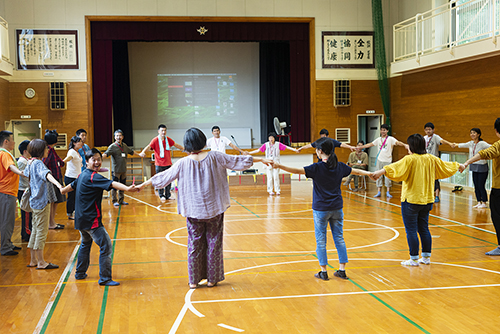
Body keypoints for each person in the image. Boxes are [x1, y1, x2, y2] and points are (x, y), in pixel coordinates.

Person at [137, 128, 271, 288]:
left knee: (194, 244)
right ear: (202, 141)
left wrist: (142, 184)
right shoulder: (215, 156)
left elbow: (162, 178)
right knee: (214, 243)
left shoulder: (183, 162)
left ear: (186, 144)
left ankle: (193, 280)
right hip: (215, 209)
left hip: (193, 211)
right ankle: (212, 279)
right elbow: (237, 161)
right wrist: (261, 159)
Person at [271, 137, 372, 280]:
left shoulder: (317, 168)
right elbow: (356, 171)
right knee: (339, 238)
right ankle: (342, 270)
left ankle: (323, 271)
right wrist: (370, 174)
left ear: (320, 151)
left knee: (321, 240)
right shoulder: (340, 166)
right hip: (337, 207)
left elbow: (297, 170)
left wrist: (279, 166)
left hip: (321, 209)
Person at [372, 134, 461, 266]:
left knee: (411, 230)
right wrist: (458, 165)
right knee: (424, 228)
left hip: (411, 200)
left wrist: (380, 172)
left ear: (412, 146)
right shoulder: (431, 158)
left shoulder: (410, 159)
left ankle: (414, 258)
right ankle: (426, 257)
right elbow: (446, 166)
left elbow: (395, 168)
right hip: (427, 200)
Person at [61, 148, 138, 286]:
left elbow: (71, 186)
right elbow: (112, 183)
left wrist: (63, 190)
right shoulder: (92, 177)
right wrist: (127, 189)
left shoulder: (82, 174)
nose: (97, 162)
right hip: (91, 220)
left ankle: (80, 273)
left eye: (99, 159)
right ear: (87, 162)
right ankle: (105, 278)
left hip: (81, 219)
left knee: (85, 243)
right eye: (93, 160)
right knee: (106, 246)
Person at [461, 118, 500, 256]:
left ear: (496, 131)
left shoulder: (498, 145)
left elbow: (484, 154)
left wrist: (466, 163)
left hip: (498, 188)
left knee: (497, 216)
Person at [25, 139, 64, 269]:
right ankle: (41, 262)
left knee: (35, 230)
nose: (48, 151)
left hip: (34, 201)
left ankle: (33, 260)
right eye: (46, 149)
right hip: (41, 202)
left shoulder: (30, 163)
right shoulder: (39, 163)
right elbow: (47, 175)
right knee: (41, 232)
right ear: (41, 150)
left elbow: (25, 174)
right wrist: (59, 185)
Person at [358, 124, 407, 198]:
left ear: (387, 131)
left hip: (388, 161)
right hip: (379, 160)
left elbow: (398, 143)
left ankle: (388, 191)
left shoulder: (390, 139)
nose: (383, 131)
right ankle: (379, 191)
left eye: (384, 130)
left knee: (388, 176)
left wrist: (405, 145)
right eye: (381, 130)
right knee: (378, 176)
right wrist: (360, 147)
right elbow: (370, 144)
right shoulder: (378, 140)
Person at [139, 124, 184, 203]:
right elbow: (149, 147)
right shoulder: (155, 140)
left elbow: (175, 144)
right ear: (158, 131)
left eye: (165, 130)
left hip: (168, 163)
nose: (163, 132)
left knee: (169, 180)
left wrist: (184, 148)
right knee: (160, 180)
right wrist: (143, 151)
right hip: (159, 164)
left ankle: (167, 195)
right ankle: (161, 195)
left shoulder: (168, 139)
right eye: (162, 130)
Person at [0, 131, 25, 256]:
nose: (14, 142)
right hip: (6, 192)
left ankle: (8, 243)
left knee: (9, 220)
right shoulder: (4, 154)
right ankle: (5, 247)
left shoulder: (5, 153)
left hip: (8, 192)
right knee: (6, 220)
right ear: (6, 142)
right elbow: (10, 167)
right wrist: (20, 173)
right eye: (12, 139)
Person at [453, 128, 491, 208]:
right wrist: (455, 145)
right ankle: (479, 202)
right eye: (471, 133)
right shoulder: (470, 143)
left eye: (474, 133)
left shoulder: (482, 143)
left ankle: (484, 202)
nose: (472, 134)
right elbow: (462, 145)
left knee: (481, 185)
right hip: (473, 166)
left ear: (478, 134)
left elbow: (491, 147)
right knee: (476, 185)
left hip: (482, 166)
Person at [102, 129, 140, 207]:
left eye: (120, 135)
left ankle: (121, 200)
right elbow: (106, 153)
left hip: (123, 170)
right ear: (114, 137)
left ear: (122, 137)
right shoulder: (112, 146)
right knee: (114, 186)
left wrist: (140, 155)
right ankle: (114, 200)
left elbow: (132, 152)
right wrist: (100, 159)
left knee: (123, 185)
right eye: (117, 136)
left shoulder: (124, 146)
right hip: (116, 170)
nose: (118, 137)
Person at [423, 122, 455, 203]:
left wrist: (450, 143)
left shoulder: (435, 137)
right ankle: (428, 194)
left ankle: (437, 196)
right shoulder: (423, 138)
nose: (428, 131)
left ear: (433, 130)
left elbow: (442, 141)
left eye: (429, 129)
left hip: (434, 160)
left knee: (435, 178)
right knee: (426, 178)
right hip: (425, 160)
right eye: (426, 130)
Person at [42, 129, 66, 230]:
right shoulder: (48, 150)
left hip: (56, 177)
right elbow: (44, 163)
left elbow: (59, 160)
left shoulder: (51, 149)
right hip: (53, 179)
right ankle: (51, 223)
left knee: (55, 201)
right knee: (52, 201)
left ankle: (52, 222)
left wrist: (61, 162)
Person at [63, 136, 83, 220]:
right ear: (74, 143)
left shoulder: (77, 152)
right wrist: (62, 162)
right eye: (79, 141)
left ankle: (75, 211)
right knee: (71, 196)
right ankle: (69, 213)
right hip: (70, 177)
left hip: (76, 177)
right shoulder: (71, 151)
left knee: (76, 196)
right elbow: (68, 158)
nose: (81, 143)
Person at [17, 140, 33, 241]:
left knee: (29, 213)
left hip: (27, 189)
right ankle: (26, 233)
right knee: (26, 213)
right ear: (25, 150)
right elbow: (23, 175)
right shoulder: (22, 162)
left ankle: (28, 231)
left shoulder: (27, 160)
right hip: (23, 190)